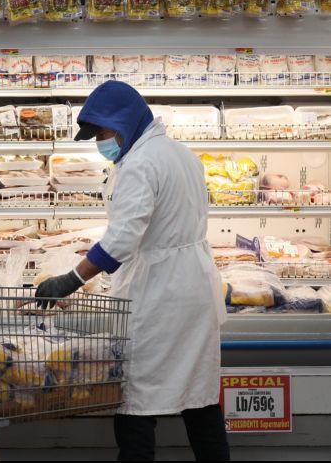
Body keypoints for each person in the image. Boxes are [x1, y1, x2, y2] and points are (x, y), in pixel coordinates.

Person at [35, 81, 230, 462]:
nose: (100, 143)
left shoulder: (140, 163)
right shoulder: (180, 153)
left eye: (103, 133)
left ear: (123, 122)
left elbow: (123, 239)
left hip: (160, 295)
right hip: (194, 289)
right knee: (200, 401)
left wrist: (71, 279)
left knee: (136, 405)